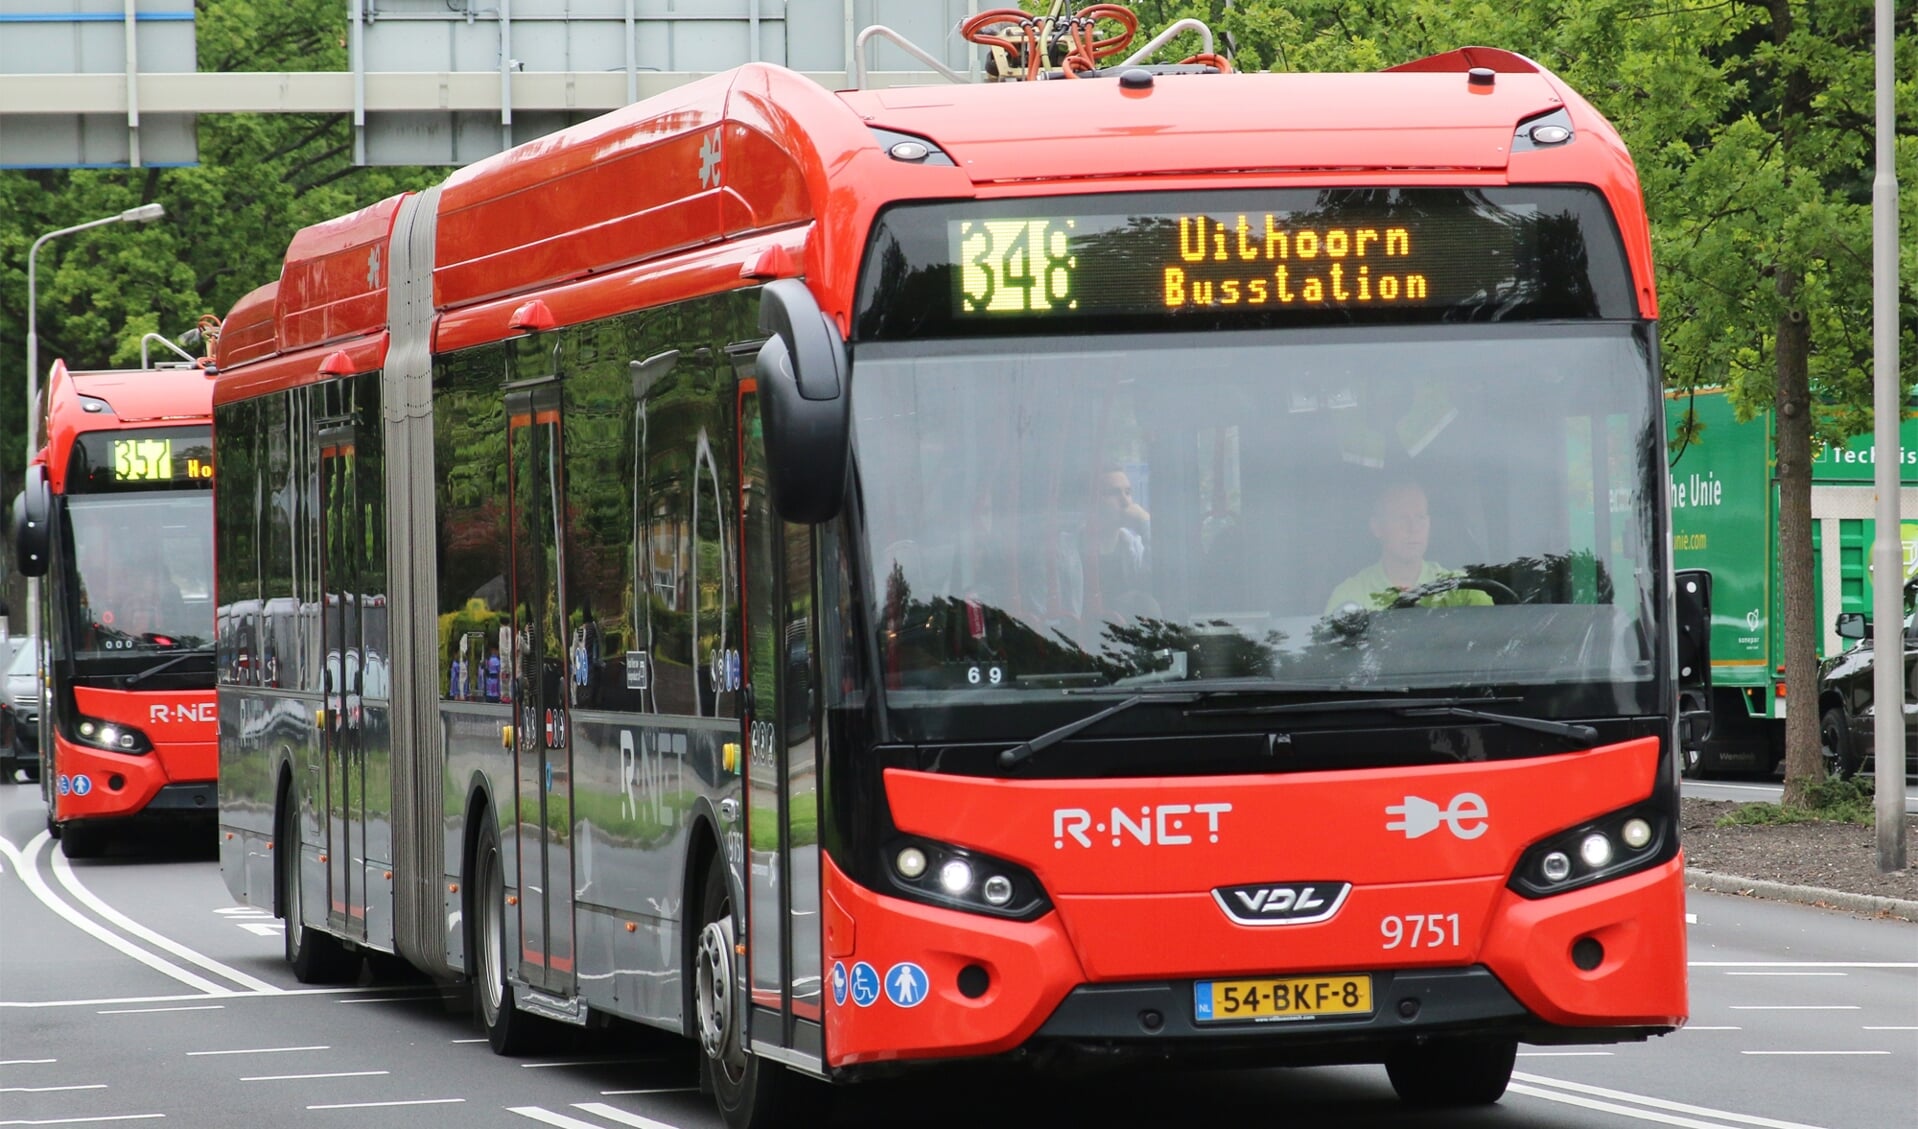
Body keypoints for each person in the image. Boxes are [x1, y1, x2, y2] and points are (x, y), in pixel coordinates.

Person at [1325, 478, 1493, 613]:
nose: (1413, 528)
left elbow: (1492, 640)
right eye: (1401, 518)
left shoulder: (1461, 589)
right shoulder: (1351, 597)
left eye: (1420, 517)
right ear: (1377, 527)